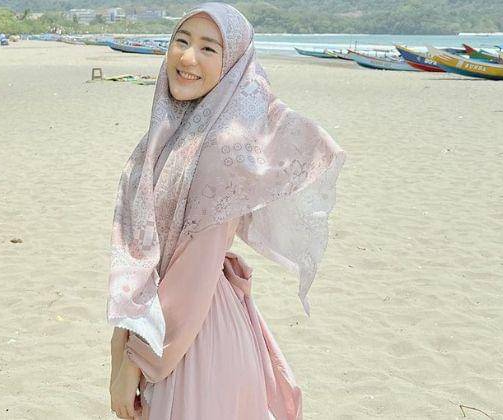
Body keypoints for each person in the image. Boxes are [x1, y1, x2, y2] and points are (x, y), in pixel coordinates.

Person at [106, 3, 345, 419]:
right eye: (181, 41)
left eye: (208, 48)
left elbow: (194, 269)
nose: (188, 58)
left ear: (233, 63)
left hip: (189, 338)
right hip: (171, 323)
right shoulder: (174, 133)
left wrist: (136, 361)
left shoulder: (221, 149)